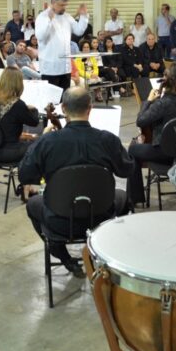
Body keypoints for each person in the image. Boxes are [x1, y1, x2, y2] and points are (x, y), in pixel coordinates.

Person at [19, 87, 134, 276]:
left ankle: (59, 251)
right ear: (90, 109)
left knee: (33, 204)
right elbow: (126, 170)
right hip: (101, 217)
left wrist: (40, 141)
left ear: (63, 109)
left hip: (60, 220)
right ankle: (108, 253)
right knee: (122, 197)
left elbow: (25, 175)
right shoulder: (107, 140)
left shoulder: (47, 142)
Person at [126, 62, 176, 206]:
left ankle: (135, 197)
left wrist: (149, 100)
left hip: (165, 154)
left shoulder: (163, 103)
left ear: (167, 81)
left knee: (133, 148)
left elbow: (141, 121)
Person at [35, 0, 89, 90]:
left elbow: (79, 31)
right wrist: (49, 20)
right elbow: (41, 36)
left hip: (65, 68)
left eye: (65, 5)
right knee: (52, 102)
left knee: (65, 100)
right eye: (61, 5)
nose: (64, 8)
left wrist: (83, 16)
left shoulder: (67, 17)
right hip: (51, 69)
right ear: (53, 3)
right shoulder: (42, 17)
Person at [0, 67, 40, 163]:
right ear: (18, 83)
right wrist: (34, 109)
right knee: (43, 145)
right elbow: (34, 122)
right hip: (9, 151)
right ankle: (33, 177)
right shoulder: (17, 104)